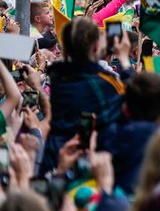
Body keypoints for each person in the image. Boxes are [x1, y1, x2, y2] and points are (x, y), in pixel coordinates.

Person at [39, 17, 125, 173]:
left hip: (55, 155)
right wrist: (124, 61)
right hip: (89, 161)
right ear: (95, 46)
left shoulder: (58, 75)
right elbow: (128, 105)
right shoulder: (104, 83)